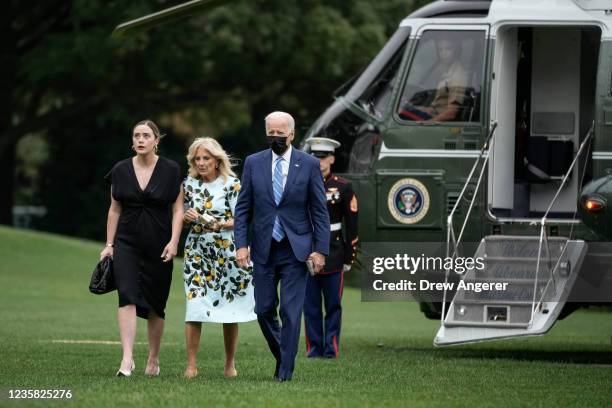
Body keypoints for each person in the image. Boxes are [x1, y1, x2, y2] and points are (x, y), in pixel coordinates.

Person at [234, 111, 330, 382]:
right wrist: (241, 245)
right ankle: (284, 355)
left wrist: (320, 249)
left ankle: (285, 373)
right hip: (263, 248)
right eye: (270, 132)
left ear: (291, 134)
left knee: (290, 311)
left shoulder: (309, 164)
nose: (275, 137)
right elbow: (243, 209)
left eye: (280, 133)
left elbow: (319, 211)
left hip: (295, 249)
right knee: (263, 309)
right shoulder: (254, 162)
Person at [100, 119, 184, 377]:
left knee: (156, 305)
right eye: (136, 135)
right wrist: (109, 244)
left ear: (156, 141)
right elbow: (114, 209)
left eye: (146, 135)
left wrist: (174, 241)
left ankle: (153, 358)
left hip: (159, 243)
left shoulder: (171, 169)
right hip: (126, 242)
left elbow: (178, 209)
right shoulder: (121, 169)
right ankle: (127, 360)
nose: (140, 140)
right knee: (126, 295)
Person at [181, 137, 256, 379]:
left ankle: (229, 364)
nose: (201, 163)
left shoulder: (231, 184)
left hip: (226, 252)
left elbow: (243, 218)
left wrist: (219, 223)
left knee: (229, 309)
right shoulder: (188, 185)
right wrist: (186, 217)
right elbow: (178, 218)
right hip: (197, 253)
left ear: (216, 160)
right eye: (197, 159)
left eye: (206, 158)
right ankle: (191, 365)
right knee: (194, 306)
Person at [302, 137, 358, 359]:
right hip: (307, 250)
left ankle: (331, 348)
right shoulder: (303, 184)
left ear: (332, 159)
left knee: (333, 304)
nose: (319, 162)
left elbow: (352, 224)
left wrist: (349, 256)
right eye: (315, 157)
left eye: (324, 157)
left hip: (334, 252)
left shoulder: (343, 187)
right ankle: (314, 349)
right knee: (311, 306)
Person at [399, 37, 468, 122]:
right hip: (433, 114)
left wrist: (429, 123)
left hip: (437, 121)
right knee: (405, 107)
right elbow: (442, 103)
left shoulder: (458, 75)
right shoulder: (448, 72)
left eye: (448, 49)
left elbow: (451, 112)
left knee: (400, 112)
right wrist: (428, 109)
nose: (444, 53)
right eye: (440, 50)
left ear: (456, 50)